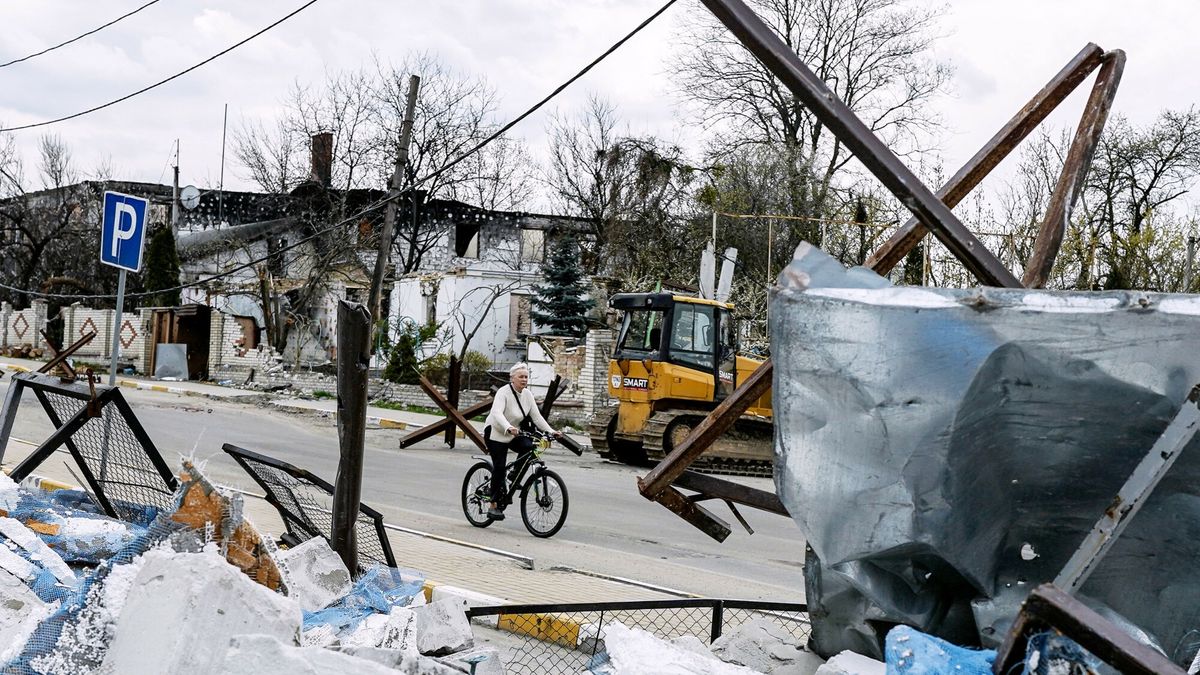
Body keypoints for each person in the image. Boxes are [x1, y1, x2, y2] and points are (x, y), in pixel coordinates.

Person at [483, 362, 562, 520]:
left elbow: (537, 417)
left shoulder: (527, 395)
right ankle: (493, 505)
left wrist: (551, 431)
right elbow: (497, 413)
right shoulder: (503, 393)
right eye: (521, 377)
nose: (524, 380)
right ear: (512, 378)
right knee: (499, 465)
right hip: (496, 433)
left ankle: (513, 475)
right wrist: (508, 427)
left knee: (528, 447)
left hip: (513, 433)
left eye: (526, 377)